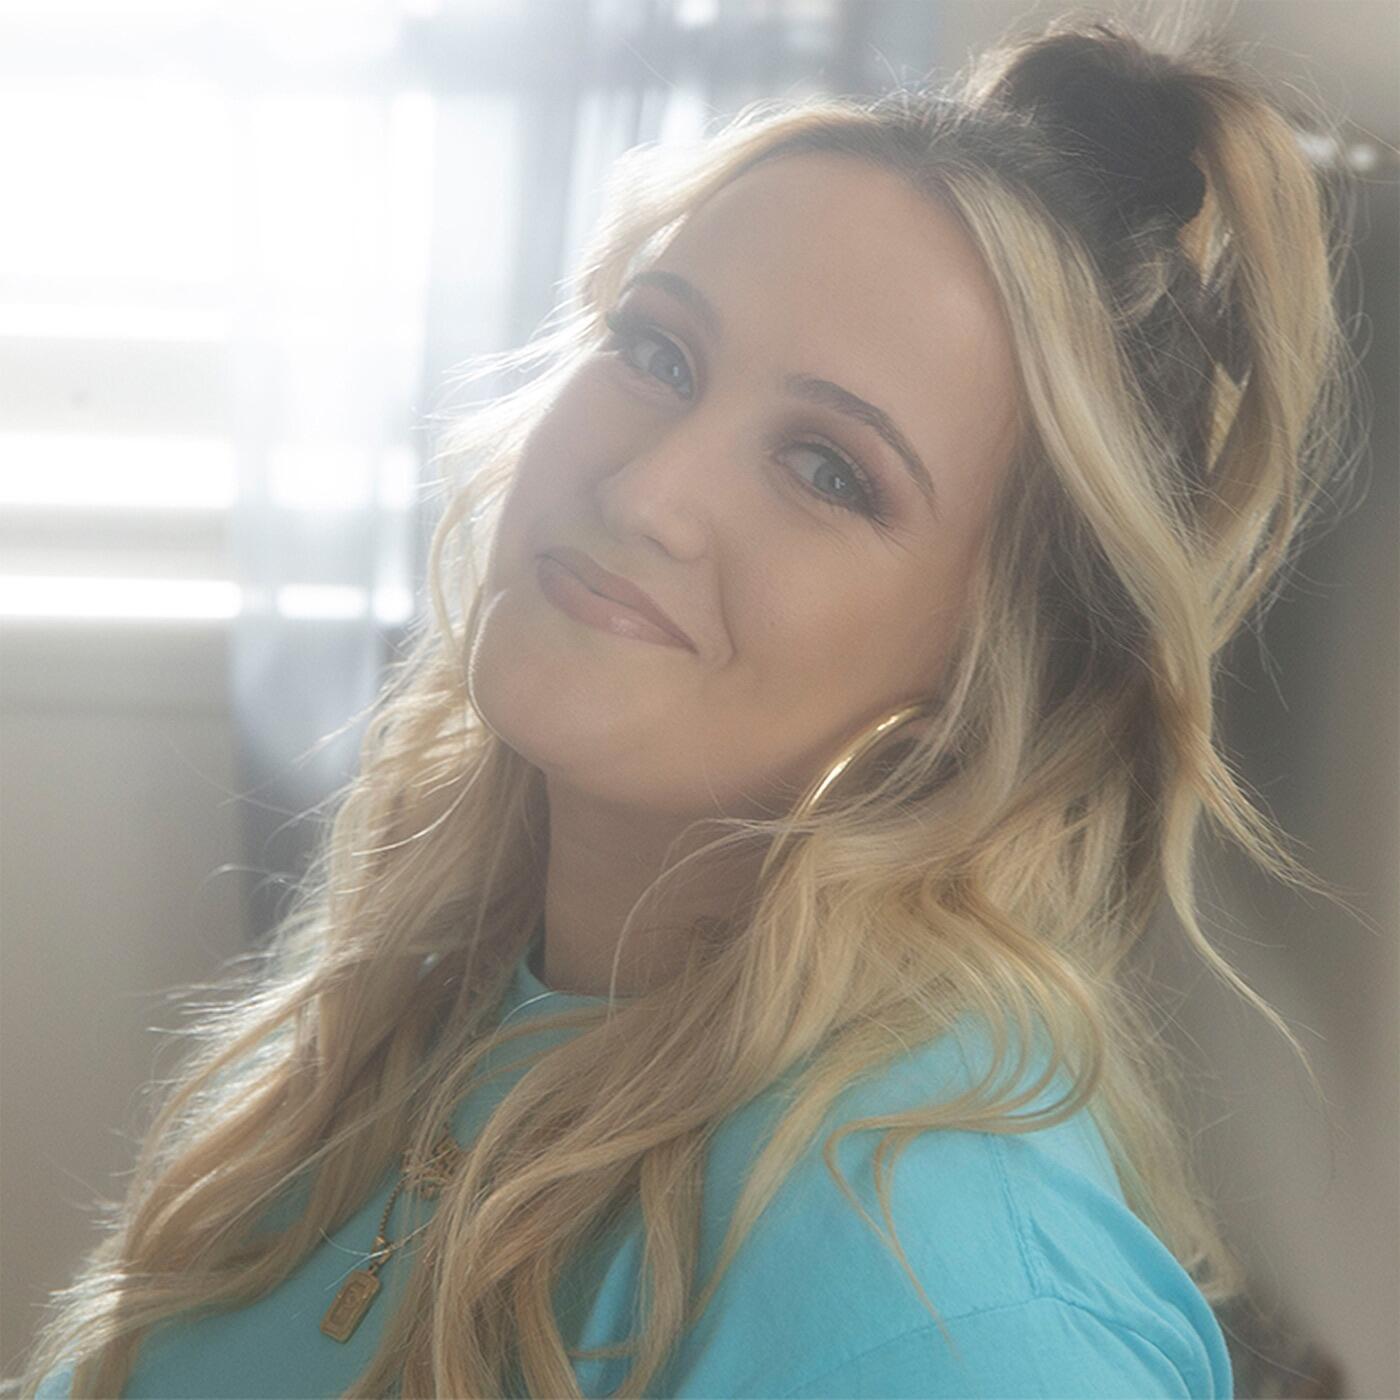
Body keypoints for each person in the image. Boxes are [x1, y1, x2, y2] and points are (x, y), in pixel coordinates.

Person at [21, 9, 1361, 1398]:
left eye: (830, 471)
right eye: (657, 353)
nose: (646, 488)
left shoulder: (943, 1308)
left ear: (993, 674)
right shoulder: (447, 988)